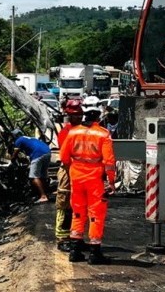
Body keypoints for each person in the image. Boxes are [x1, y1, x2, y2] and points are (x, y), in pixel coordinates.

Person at [60, 95, 116, 264]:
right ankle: (95, 253)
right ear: (99, 114)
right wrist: (111, 182)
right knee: (96, 214)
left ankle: (75, 251)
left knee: (77, 212)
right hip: (95, 180)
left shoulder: (73, 132)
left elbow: (63, 157)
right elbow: (109, 162)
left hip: (76, 177)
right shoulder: (103, 134)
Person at [55, 99, 83, 252]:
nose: (78, 118)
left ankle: (75, 237)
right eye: (76, 115)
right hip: (68, 171)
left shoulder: (82, 131)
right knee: (64, 204)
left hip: (80, 172)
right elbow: (66, 157)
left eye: (80, 115)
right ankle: (62, 238)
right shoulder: (65, 132)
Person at [11, 133, 52, 203]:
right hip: (47, 152)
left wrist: (12, 161)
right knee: (42, 175)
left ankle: (43, 196)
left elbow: (15, 154)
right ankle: (46, 193)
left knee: (33, 177)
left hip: (38, 154)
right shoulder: (30, 138)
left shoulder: (18, 140)